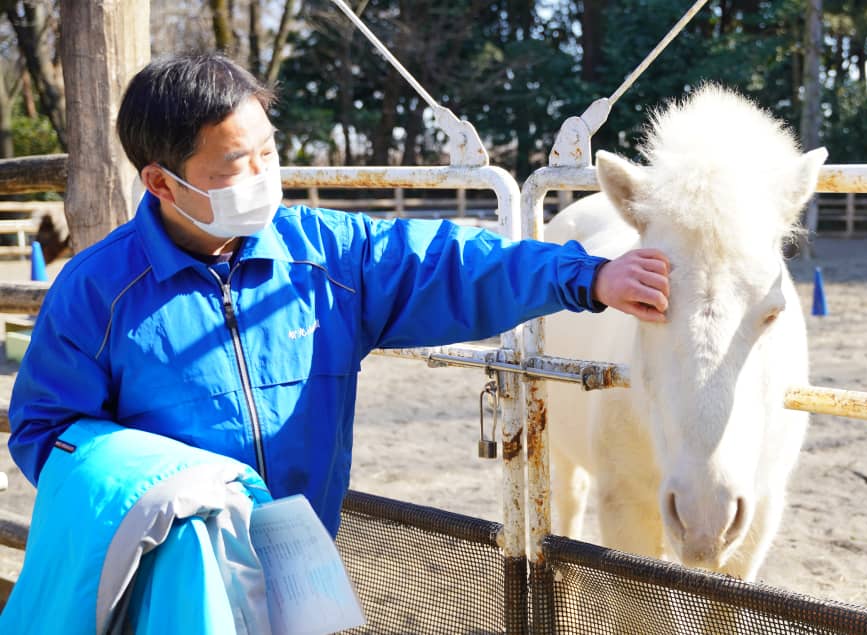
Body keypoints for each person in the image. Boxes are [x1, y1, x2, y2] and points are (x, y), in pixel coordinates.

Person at [7, 52, 670, 538]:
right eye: (238, 165)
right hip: (170, 563)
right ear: (161, 182)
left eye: (269, 151)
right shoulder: (96, 293)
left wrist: (586, 276)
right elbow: (45, 431)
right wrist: (157, 491)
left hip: (301, 546)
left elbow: (452, 264)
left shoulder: (325, 256)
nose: (266, 176)